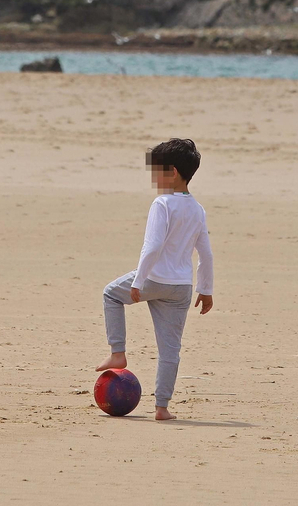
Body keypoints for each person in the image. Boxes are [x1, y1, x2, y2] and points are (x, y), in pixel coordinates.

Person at [95, 138, 215, 421]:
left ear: (172, 172)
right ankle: (162, 407)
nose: (153, 178)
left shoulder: (162, 203)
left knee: (111, 294)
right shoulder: (197, 209)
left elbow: (153, 246)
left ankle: (118, 352)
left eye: (156, 171)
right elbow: (206, 253)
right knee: (170, 349)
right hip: (181, 287)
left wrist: (139, 280)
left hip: (154, 278)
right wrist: (205, 289)